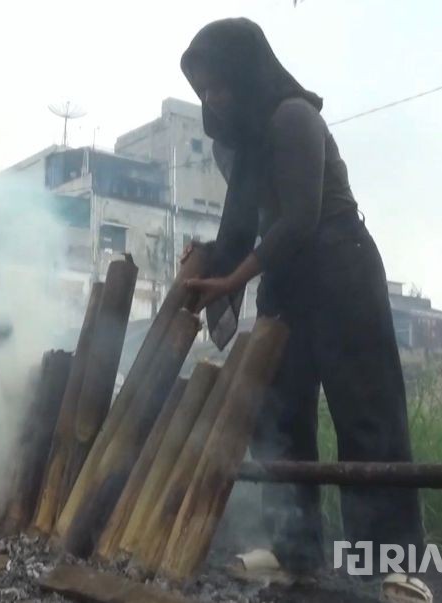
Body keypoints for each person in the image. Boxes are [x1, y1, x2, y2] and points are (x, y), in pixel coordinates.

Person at [179, 18, 424, 579]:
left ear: (248, 73)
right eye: (205, 88)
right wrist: (212, 258)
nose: (213, 97)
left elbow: (299, 219)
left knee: (367, 419)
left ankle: (394, 565)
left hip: (340, 268)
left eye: (221, 84)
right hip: (286, 279)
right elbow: (245, 228)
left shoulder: (294, 117)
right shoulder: (235, 148)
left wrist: (233, 278)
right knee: (281, 417)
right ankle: (296, 553)